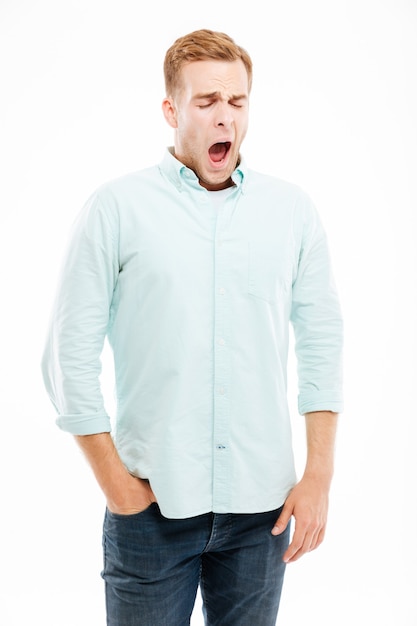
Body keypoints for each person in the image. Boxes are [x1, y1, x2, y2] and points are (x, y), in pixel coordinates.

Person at [42, 29, 343, 626]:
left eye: (237, 102)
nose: (224, 117)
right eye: (206, 102)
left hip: (263, 515)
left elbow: (322, 345)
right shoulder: (117, 208)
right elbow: (65, 358)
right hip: (151, 511)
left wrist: (318, 477)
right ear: (171, 110)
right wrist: (117, 488)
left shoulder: (292, 212)